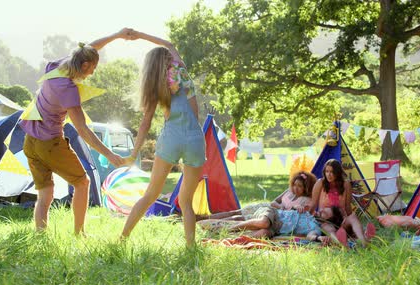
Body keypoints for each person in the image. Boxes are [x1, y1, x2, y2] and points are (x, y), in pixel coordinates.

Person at [20, 28, 133, 235]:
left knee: (45, 195)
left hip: (30, 141)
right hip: (50, 144)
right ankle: (79, 234)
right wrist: (109, 154)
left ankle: (40, 235)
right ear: (84, 65)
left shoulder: (57, 67)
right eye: (93, 68)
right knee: (83, 183)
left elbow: (89, 49)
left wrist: (116, 36)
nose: (93, 73)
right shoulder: (68, 89)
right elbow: (83, 130)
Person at [121, 30, 206, 248]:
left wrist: (133, 153)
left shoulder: (155, 85)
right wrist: (140, 35)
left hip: (171, 138)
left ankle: (122, 239)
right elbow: (168, 43)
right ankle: (190, 248)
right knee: (186, 201)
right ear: (169, 60)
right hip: (195, 139)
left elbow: (145, 124)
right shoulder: (183, 73)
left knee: (150, 194)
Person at [218, 171, 322, 239]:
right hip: (272, 211)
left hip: (277, 224)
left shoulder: (306, 202)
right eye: (294, 185)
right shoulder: (289, 191)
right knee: (241, 214)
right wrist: (284, 207)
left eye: (299, 186)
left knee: (264, 232)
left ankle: (233, 237)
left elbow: (305, 211)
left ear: (306, 187)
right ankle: (227, 227)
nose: (295, 188)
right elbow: (273, 202)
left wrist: (319, 238)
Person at [310, 159, 374, 247]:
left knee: (353, 217)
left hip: (341, 219)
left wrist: (353, 222)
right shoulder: (320, 183)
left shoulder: (346, 184)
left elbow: (348, 206)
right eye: (327, 171)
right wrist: (307, 218)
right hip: (326, 221)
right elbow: (313, 204)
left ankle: (363, 241)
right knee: (329, 229)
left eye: (332, 172)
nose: (329, 174)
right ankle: (341, 243)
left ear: (338, 173)